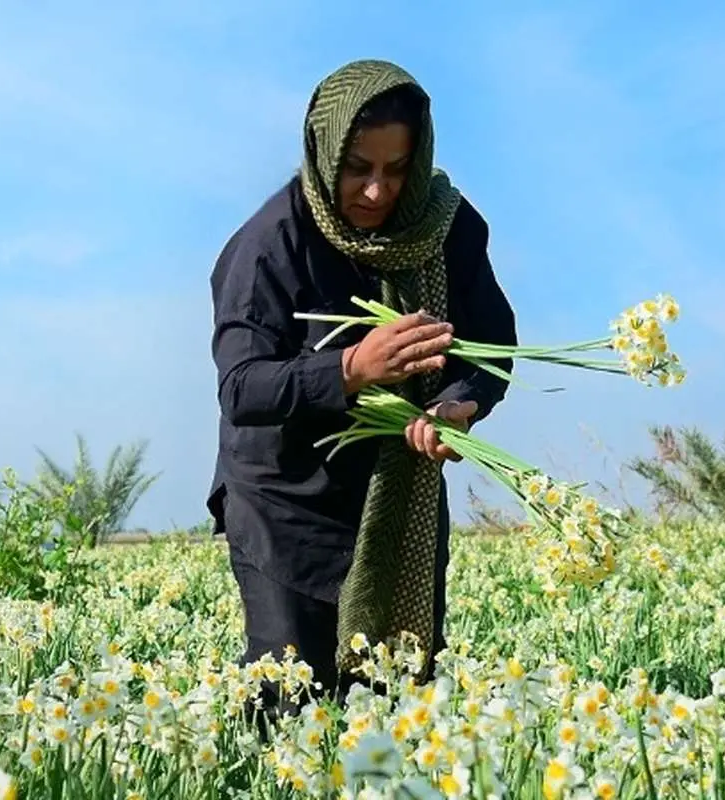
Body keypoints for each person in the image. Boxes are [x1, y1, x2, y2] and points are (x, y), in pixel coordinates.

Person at [204, 59, 517, 715]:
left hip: (395, 497)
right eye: (358, 169)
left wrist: (458, 405)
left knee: (393, 696)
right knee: (289, 700)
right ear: (323, 153)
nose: (378, 192)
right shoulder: (271, 244)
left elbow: (489, 342)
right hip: (283, 504)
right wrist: (351, 368)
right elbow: (243, 387)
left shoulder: (444, 226)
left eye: (397, 170)